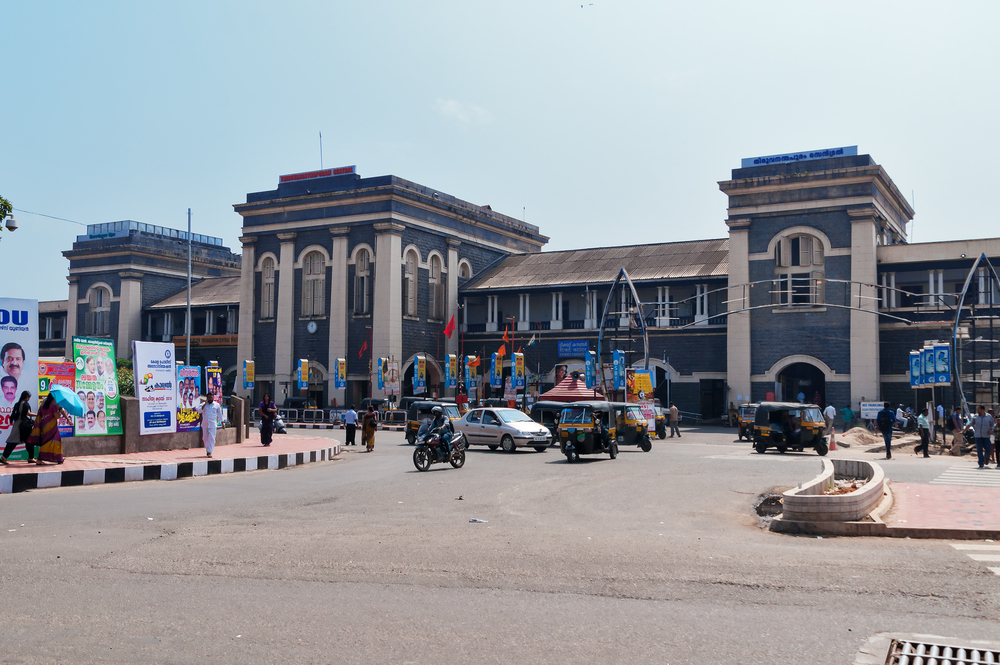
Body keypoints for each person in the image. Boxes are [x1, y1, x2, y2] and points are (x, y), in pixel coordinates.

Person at [28, 394, 67, 465]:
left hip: (44, 425)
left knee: (46, 441)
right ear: (53, 398)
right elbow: (57, 417)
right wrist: (59, 413)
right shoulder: (53, 406)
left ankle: (58, 458)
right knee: (54, 441)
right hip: (51, 426)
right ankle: (40, 459)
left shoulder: (42, 406)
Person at [1, 391, 35, 464]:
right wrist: (38, 415)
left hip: (17, 425)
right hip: (24, 426)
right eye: (29, 397)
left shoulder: (17, 404)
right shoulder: (25, 404)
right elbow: (28, 413)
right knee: (29, 441)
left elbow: (13, 416)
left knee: (12, 441)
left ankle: (4, 456)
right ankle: (31, 457)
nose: (29, 398)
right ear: (26, 397)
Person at [196, 393, 224, 458]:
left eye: (211, 397)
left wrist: (222, 423)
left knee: (211, 437)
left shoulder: (216, 405)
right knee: (205, 438)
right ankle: (208, 449)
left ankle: (209, 451)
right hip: (205, 423)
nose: (210, 399)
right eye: (209, 398)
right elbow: (199, 411)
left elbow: (220, 414)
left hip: (213, 423)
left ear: (213, 398)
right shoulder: (203, 404)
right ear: (207, 398)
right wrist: (205, 404)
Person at [967, 405, 996, 469]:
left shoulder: (989, 416)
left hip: (986, 436)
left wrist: (992, 430)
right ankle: (981, 463)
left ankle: (986, 458)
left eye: (979, 409)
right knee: (979, 450)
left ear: (982, 410)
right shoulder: (975, 417)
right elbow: (970, 424)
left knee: (988, 448)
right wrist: (963, 431)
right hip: (978, 436)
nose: (978, 410)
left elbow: (992, 425)